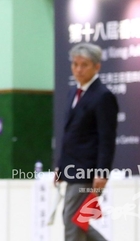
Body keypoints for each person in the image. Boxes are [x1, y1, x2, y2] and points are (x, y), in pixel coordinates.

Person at [55, 43, 118, 241]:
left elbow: (106, 138)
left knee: (73, 220)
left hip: (88, 171)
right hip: (72, 168)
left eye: (84, 65)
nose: (78, 69)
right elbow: (70, 135)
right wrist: (61, 167)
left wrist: (102, 172)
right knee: (75, 220)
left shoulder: (103, 96)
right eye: (75, 64)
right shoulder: (73, 92)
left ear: (97, 66)